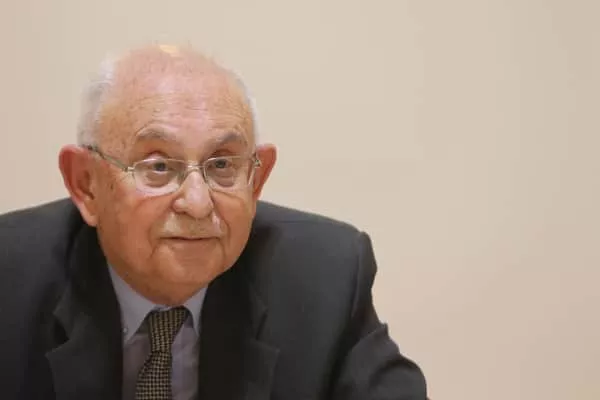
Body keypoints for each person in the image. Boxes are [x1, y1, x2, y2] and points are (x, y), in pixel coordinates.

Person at [0, 44, 427, 400]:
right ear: (86, 184)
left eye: (222, 165)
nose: (198, 203)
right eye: (159, 166)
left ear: (256, 180)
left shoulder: (325, 277)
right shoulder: (10, 282)